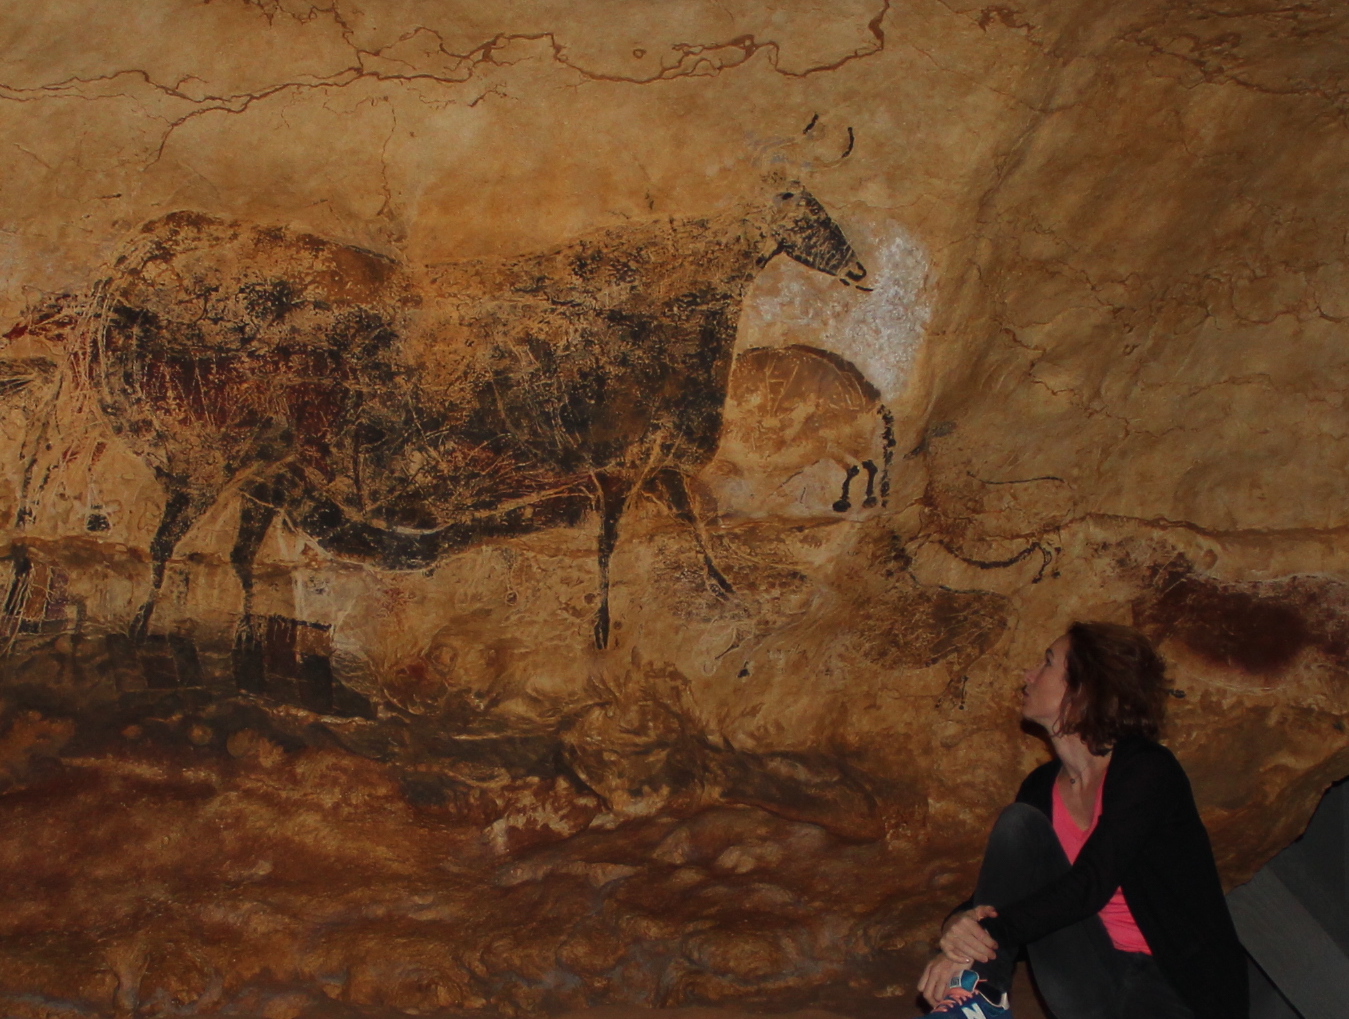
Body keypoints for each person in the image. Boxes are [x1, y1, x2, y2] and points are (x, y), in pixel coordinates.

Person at [917, 621, 1248, 1019]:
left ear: (1084, 687)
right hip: (1092, 971)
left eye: (1047, 663)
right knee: (1020, 826)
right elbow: (1004, 896)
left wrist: (983, 933)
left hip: (1174, 990)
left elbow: (1091, 883)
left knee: (1016, 861)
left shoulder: (1145, 770)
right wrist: (958, 928)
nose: (1028, 675)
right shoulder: (1041, 789)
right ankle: (981, 997)